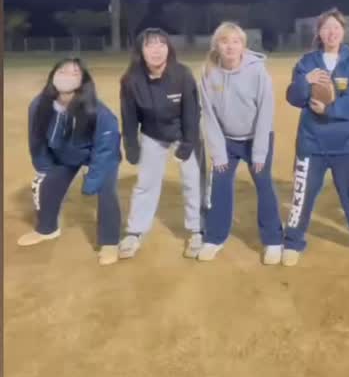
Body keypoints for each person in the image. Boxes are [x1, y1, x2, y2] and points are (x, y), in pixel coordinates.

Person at [282, 8, 349, 265]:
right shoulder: (307, 62)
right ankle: (293, 241)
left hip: (347, 144)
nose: (331, 32)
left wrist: (329, 110)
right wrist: (305, 81)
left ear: (343, 31)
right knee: (302, 195)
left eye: (336, 28)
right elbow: (294, 98)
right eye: (326, 27)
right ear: (319, 32)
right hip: (312, 142)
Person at [19, 58, 121, 265]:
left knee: (106, 191)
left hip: (99, 155)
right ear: (53, 76)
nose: (67, 76)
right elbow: (37, 140)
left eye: (74, 73)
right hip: (65, 155)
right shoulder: (39, 105)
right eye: (62, 71)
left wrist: (92, 181)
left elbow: (106, 148)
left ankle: (110, 242)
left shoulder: (98, 111)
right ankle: (47, 229)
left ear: (82, 81)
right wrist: (44, 169)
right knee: (47, 185)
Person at [197, 22, 283, 264]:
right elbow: (209, 115)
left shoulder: (257, 72)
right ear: (216, 45)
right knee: (220, 185)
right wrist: (218, 152)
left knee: (264, 185)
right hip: (227, 141)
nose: (230, 46)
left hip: (257, 138)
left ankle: (273, 241)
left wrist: (259, 152)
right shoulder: (208, 72)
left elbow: (265, 112)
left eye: (236, 41)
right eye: (224, 41)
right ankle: (214, 238)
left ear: (243, 46)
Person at [119, 28, 203, 259]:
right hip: (152, 134)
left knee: (192, 180)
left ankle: (197, 230)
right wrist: (131, 145)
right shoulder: (131, 80)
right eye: (150, 45)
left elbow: (192, 112)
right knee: (146, 183)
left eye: (161, 44)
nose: (156, 50)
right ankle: (135, 232)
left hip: (183, 132)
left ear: (169, 48)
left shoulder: (182, 74)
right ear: (140, 51)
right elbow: (129, 116)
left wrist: (188, 143)